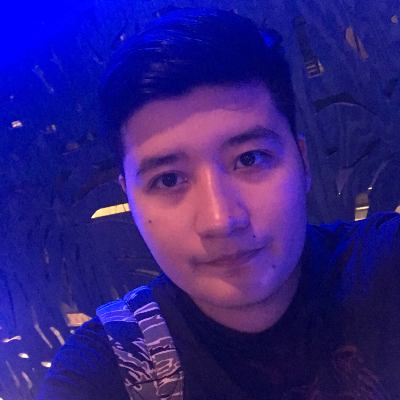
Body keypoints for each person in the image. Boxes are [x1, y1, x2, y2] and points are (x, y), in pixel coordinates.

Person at [37, 7, 400, 400]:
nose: (221, 219)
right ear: (131, 201)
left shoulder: (384, 271)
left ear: (303, 162)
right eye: (169, 179)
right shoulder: (108, 370)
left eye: (250, 158)